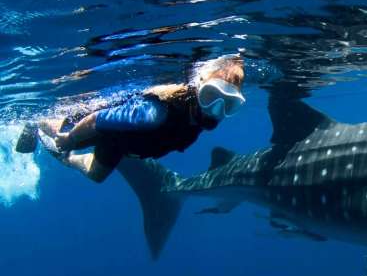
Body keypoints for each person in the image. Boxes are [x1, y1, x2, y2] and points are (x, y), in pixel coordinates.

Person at [17, 54, 245, 182]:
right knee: (60, 134)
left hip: (125, 143)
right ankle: (35, 121)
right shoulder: (154, 114)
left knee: (96, 175)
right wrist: (69, 140)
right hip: (105, 129)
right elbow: (97, 120)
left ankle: (65, 157)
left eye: (228, 104)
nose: (214, 109)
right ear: (198, 84)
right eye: (210, 96)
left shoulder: (197, 115)